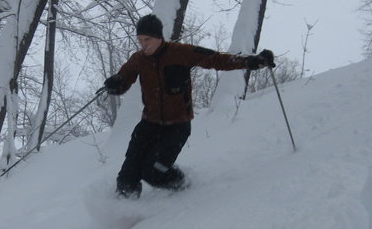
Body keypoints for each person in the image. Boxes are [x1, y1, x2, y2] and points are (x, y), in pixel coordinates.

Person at [104, 13, 275, 198]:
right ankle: (122, 210)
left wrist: (250, 61)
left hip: (176, 126)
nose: (143, 44)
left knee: (153, 172)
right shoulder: (138, 59)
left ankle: (184, 185)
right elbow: (125, 77)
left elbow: (216, 59)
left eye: (147, 39)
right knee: (129, 171)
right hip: (149, 124)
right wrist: (116, 83)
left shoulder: (180, 52)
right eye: (140, 40)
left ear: (159, 37)